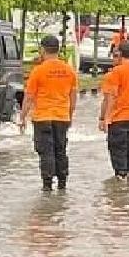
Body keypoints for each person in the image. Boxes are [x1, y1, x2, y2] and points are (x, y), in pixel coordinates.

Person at [19, 35, 78, 192]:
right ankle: (62, 183)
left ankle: (47, 185)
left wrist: (22, 117)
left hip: (42, 117)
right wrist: (70, 116)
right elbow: (73, 97)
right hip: (62, 117)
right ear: (58, 50)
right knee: (60, 150)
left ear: (42, 50)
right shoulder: (69, 71)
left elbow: (29, 96)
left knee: (46, 151)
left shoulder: (38, 71)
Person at [99, 41, 129, 181]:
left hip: (117, 117)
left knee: (117, 148)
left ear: (120, 54)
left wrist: (104, 118)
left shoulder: (115, 72)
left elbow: (110, 97)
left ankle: (121, 175)